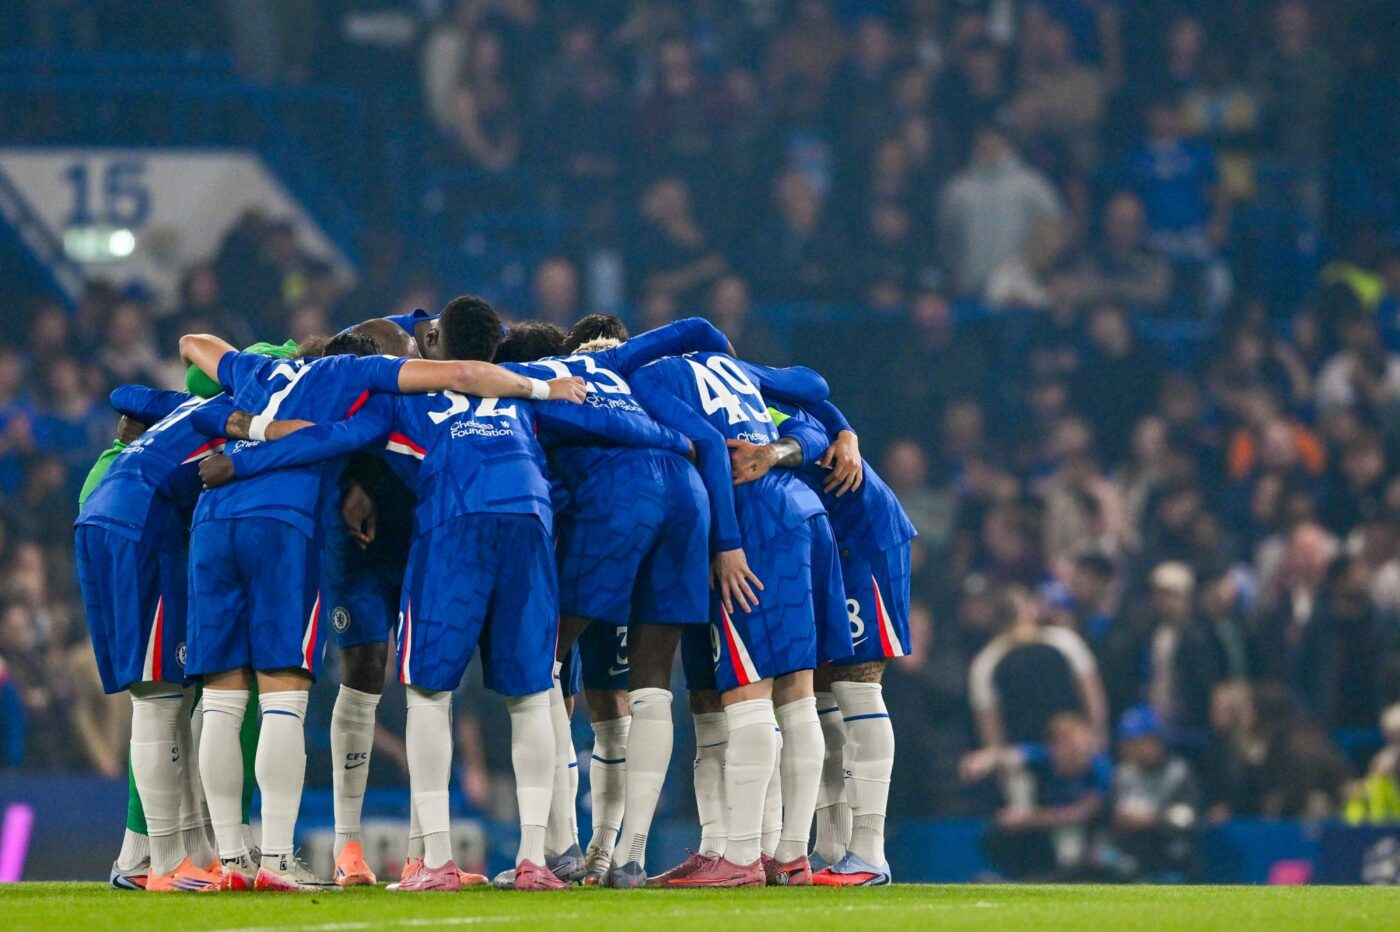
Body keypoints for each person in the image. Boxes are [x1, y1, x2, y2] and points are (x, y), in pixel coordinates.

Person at [210, 303, 679, 893]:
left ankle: (434, 861)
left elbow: (335, 436)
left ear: (434, 342)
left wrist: (245, 459)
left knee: (429, 692)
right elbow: (608, 426)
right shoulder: (524, 388)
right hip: (528, 522)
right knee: (533, 693)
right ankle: (535, 859)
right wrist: (680, 443)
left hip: (454, 525)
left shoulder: (404, 397)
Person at [491, 313, 729, 886]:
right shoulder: (616, 361)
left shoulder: (524, 382)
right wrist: (724, 366)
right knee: (652, 681)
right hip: (688, 491)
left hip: (619, 494)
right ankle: (630, 857)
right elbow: (694, 328)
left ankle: (556, 848)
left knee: (542, 660)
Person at [75, 372, 320, 892]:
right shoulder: (239, 416)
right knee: (159, 699)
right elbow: (263, 434)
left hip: (106, 517)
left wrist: (141, 421)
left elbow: (123, 392)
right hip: (143, 528)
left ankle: (178, 851)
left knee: (173, 694)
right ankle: (161, 863)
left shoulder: (187, 405)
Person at [630, 349, 848, 888]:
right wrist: (823, 436)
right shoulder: (734, 370)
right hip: (803, 512)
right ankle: (790, 854)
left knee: (748, 690)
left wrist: (725, 543)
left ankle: (743, 856)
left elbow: (709, 448)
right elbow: (814, 389)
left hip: (753, 524)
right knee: (796, 691)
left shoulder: (649, 377)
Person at [726, 397, 914, 885]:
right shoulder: (730, 404)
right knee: (822, 694)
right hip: (818, 541)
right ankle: (832, 846)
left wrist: (842, 431)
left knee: (857, 687)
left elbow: (811, 392)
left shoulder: (757, 398)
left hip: (861, 537)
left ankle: (869, 852)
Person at [1106, 706, 1200, 881]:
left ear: (1156, 741)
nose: (1133, 749)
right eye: (1128, 743)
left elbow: (1187, 818)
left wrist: (1152, 819)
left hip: (1171, 857)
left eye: (1139, 742)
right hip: (1132, 860)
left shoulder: (1178, 772)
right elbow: (1111, 816)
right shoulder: (1123, 774)